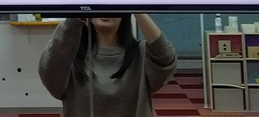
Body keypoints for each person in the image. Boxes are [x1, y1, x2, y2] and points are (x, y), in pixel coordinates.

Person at [38, 13, 177, 117]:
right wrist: (77, 15)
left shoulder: (141, 54)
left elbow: (166, 58)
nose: (105, 11)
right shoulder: (71, 57)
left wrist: (137, 9)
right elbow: (49, 70)